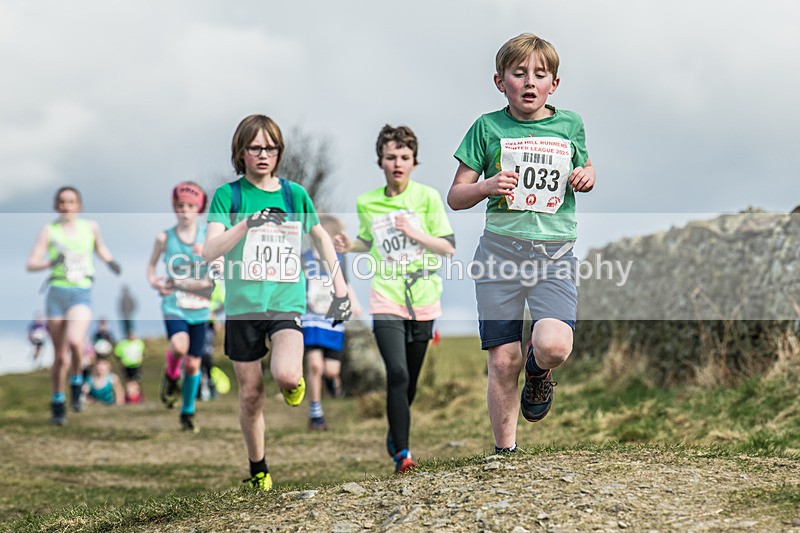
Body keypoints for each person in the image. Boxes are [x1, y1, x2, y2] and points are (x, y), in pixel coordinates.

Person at [447, 34, 595, 454]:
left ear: (554, 83)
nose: (529, 82)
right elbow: (456, 196)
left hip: (555, 256)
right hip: (499, 256)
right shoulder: (486, 127)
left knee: (553, 346)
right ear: (500, 81)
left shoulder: (570, 124)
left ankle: (539, 373)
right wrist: (487, 185)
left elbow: (585, 167)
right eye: (519, 74)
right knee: (502, 360)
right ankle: (505, 454)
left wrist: (587, 176)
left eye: (539, 74)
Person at [202, 114, 352, 491]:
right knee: (251, 394)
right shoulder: (229, 196)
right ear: (242, 152)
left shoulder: (293, 195)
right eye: (255, 147)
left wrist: (340, 286)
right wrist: (247, 224)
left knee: (287, 374)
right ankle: (259, 468)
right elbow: (209, 249)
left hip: (286, 301)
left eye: (270, 147)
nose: (263, 154)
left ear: (279, 151)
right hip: (242, 307)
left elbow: (319, 237)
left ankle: (293, 382)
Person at [334, 125, 455, 474]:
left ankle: (394, 432)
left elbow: (447, 247)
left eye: (404, 157)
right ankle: (403, 453)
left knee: (410, 381)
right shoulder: (367, 202)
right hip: (385, 295)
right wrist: (349, 246)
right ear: (381, 162)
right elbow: (368, 241)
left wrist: (414, 232)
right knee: (397, 373)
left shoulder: (428, 198)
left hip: (424, 297)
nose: (397, 163)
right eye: (390, 157)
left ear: (414, 162)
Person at [25, 186, 122, 425]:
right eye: (62, 202)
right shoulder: (49, 231)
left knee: (76, 343)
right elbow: (31, 263)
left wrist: (110, 261)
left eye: (71, 201)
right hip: (57, 293)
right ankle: (58, 402)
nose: (66, 206)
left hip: (81, 293)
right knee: (60, 357)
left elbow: (100, 248)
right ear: (56, 205)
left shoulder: (90, 227)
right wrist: (51, 262)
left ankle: (77, 383)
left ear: (79, 205)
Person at [147, 181, 214, 432]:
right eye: (179, 205)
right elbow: (151, 267)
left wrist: (208, 253)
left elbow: (220, 266)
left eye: (190, 206)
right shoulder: (164, 237)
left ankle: (187, 412)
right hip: (174, 303)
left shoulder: (208, 235)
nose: (184, 210)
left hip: (200, 306)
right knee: (178, 345)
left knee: (194, 364)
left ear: (199, 208)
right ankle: (171, 375)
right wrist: (155, 282)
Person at [302, 214, 362, 431]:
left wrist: (354, 301)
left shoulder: (339, 258)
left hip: (333, 318)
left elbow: (345, 281)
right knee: (315, 365)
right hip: (310, 317)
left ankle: (332, 383)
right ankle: (315, 413)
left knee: (331, 370)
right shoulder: (305, 257)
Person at [114, 331, 145, 404]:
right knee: (128, 382)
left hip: (136, 365)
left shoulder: (139, 343)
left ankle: (137, 398)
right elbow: (118, 354)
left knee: (136, 381)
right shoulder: (123, 344)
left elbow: (142, 353)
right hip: (126, 365)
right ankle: (129, 398)